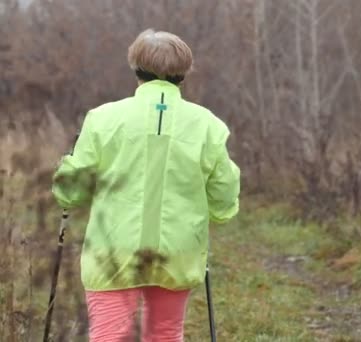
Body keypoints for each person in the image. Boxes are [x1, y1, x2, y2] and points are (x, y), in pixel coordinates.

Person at [52, 29, 240, 341]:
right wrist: (220, 212)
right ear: (184, 72)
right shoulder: (208, 125)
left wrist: (65, 178)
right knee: (166, 334)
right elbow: (223, 191)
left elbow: (72, 189)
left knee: (109, 336)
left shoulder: (103, 118)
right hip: (177, 249)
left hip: (112, 248)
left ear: (135, 67)